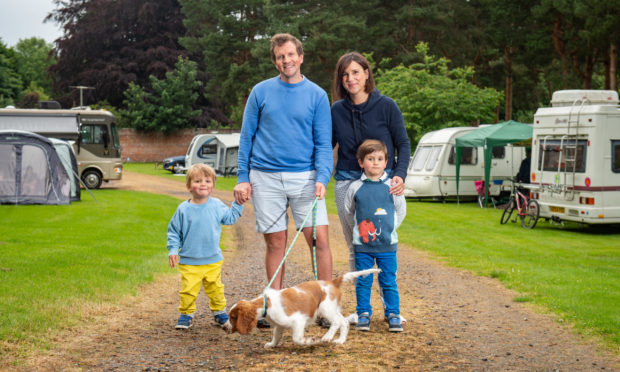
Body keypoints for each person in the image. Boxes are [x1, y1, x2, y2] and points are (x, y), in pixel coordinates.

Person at [233, 34, 333, 301]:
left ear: (300, 57)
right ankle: (274, 305)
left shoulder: (317, 95)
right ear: (275, 62)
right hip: (265, 178)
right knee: (276, 242)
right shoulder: (260, 92)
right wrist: (243, 177)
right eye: (280, 57)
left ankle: (326, 305)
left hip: (306, 179)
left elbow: (324, 144)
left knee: (318, 241)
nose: (286, 60)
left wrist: (323, 177)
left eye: (290, 55)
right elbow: (246, 137)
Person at [331, 52, 410, 273]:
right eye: (345, 74)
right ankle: (362, 305)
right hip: (347, 182)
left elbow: (403, 143)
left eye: (355, 72)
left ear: (366, 74)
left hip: (383, 183)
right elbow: (325, 144)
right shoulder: (337, 110)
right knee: (355, 245)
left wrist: (400, 174)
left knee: (384, 244)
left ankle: (390, 305)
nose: (350, 78)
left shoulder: (387, 106)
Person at [167, 164, 243, 329]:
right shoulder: (183, 209)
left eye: (208, 181)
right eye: (198, 181)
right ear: (188, 186)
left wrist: (238, 203)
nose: (203, 184)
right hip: (189, 261)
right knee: (188, 290)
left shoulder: (216, 205)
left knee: (216, 289)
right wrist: (173, 250)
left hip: (212, 260)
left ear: (213, 186)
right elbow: (174, 232)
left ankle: (219, 312)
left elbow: (230, 218)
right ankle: (186, 314)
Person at [344, 139, 406, 332]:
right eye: (370, 159)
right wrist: (359, 231)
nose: (376, 163)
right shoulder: (355, 187)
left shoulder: (392, 187)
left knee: (388, 280)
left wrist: (390, 229)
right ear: (361, 162)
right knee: (363, 280)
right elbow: (348, 212)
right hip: (363, 247)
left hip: (387, 246)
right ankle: (363, 313)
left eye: (380, 158)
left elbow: (400, 211)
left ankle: (393, 314)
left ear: (386, 162)